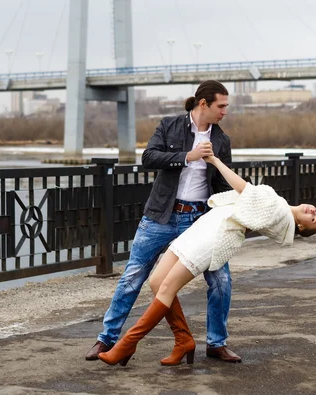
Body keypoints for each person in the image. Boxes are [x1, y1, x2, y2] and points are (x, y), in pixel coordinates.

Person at [98, 154, 316, 366]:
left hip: (216, 237)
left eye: (314, 219)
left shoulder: (281, 214)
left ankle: (126, 344)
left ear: (301, 227)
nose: (312, 211)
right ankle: (183, 340)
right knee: (157, 282)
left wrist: (215, 161)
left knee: (167, 287)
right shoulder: (282, 206)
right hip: (207, 226)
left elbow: (244, 189)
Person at [86, 80, 242, 365]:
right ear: (203, 104)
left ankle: (216, 343)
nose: (224, 112)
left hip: (199, 221)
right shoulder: (169, 126)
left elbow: (221, 185)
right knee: (133, 276)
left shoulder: (222, 141)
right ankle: (106, 339)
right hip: (161, 215)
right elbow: (148, 157)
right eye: (221, 106)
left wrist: (230, 210)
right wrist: (187, 156)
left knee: (221, 280)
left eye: (226, 107)